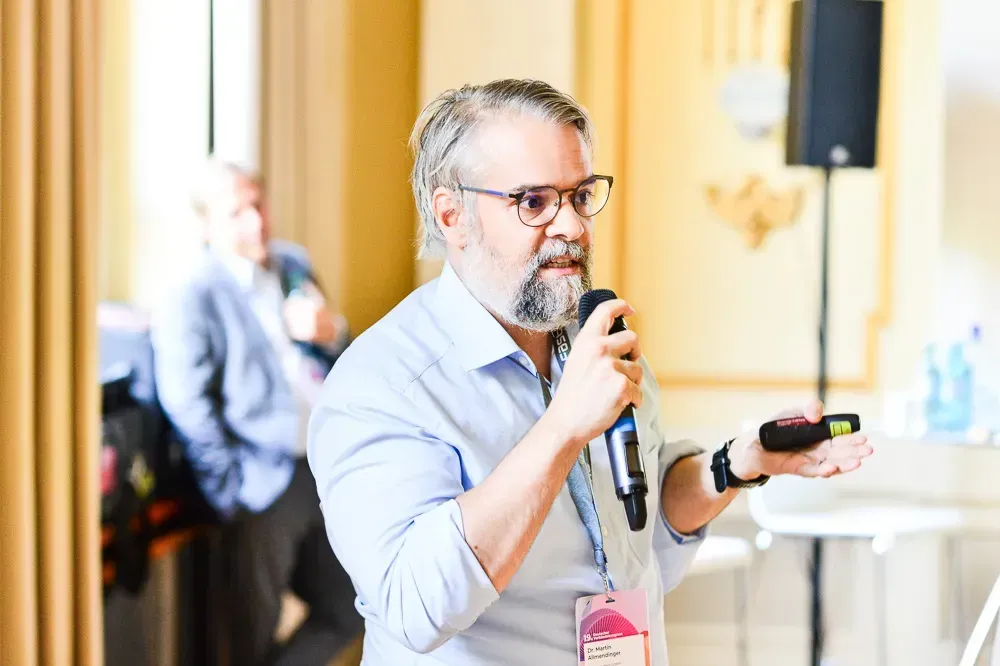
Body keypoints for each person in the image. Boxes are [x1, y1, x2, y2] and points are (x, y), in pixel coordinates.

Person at [307, 79, 873, 665]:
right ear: (452, 216)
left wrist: (736, 464)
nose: (573, 227)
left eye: (580, 196)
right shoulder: (380, 384)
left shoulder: (597, 344)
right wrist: (562, 427)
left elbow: (638, 531)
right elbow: (415, 608)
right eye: (533, 202)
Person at [151, 159, 363, 666]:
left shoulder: (292, 263)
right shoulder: (191, 292)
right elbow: (185, 401)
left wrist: (331, 331)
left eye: (258, 204)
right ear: (206, 226)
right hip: (261, 480)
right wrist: (231, 486)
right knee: (251, 634)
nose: (255, 221)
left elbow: (343, 358)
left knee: (353, 607)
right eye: (236, 212)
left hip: (324, 466)